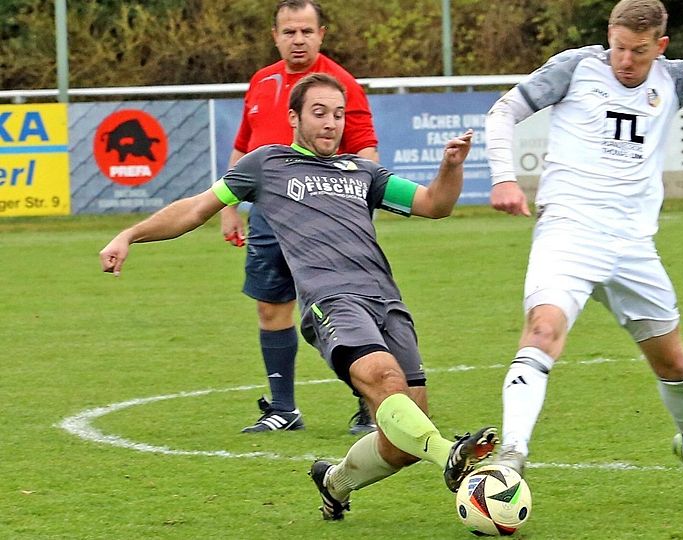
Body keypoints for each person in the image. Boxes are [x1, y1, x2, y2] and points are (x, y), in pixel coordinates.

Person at [100, 73, 498, 521]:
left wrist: (451, 167)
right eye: (320, 113)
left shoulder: (364, 172)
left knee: (402, 438)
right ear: (294, 117)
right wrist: (130, 234)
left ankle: (335, 482)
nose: (332, 124)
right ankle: (451, 454)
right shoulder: (267, 163)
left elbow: (435, 205)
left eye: (339, 115)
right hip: (331, 300)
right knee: (385, 381)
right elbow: (195, 209)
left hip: (386, 300)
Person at [484, 0, 683, 502]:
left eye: (638, 51)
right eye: (618, 47)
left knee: (674, 364)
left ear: (660, 46)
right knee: (542, 331)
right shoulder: (576, 67)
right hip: (569, 231)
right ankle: (511, 458)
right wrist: (504, 178)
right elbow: (505, 110)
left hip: (633, 247)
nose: (625, 61)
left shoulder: (674, 81)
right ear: (607, 36)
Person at [221, 0, 381, 434]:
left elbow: (366, 150)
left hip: (324, 217)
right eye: (289, 32)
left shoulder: (340, 84)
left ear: (321, 34)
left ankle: (371, 403)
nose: (298, 40)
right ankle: (283, 409)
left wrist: (358, 209)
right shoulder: (261, 82)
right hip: (270, 217)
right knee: (272, 309)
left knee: (346, 308)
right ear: (275, 36)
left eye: (306, 32)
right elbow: (244, 145)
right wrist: (231, 206)